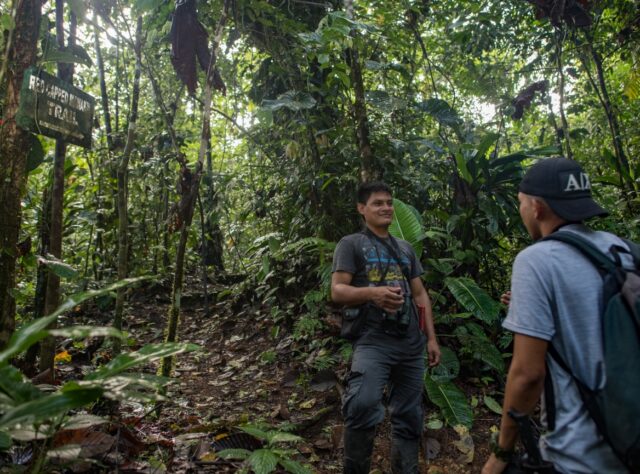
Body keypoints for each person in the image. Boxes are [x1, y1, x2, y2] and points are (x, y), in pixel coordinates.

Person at [482, 157, 631, 474]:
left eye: (521, 203)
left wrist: (500, 453)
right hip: (631, 442)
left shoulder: (537, 260)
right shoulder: (623, 250)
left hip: (578, 454)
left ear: (536, 207)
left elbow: (527, 374)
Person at [331, 181, 440, 474]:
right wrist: (372, 293)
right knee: (363, 404)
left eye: (389, 202)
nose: (386, 208)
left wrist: (431, 338)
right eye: (378, 203)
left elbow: (420, 295)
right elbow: (338, 291)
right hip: (372, 339)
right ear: (361, 209)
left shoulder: (405, 248)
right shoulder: (351, 244)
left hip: (411, 342)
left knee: (409, 415)